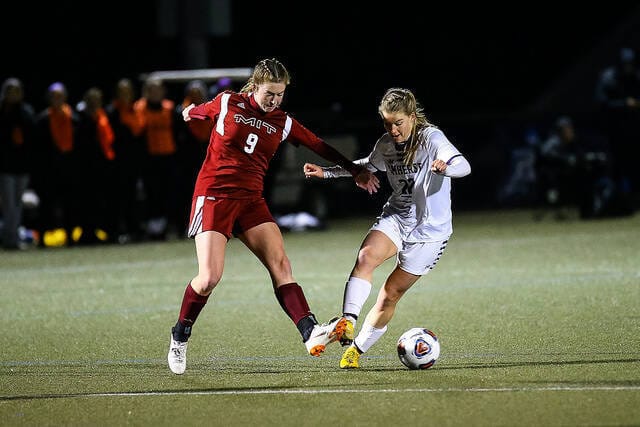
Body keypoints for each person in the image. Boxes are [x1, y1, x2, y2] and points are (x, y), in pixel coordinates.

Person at [166, 58, 377, 375]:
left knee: (281, 265)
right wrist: (189, 111)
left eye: (280, 94)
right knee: (209, 277)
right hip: (214, 195)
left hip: (250, 200)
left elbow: (318, 144)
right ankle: (180, 335)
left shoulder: (283, 122)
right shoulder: (228, 102)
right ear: (254, 86)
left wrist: (354, 170)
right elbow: (199, 111)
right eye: (269, 93)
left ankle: (310, 332)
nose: (274, 100)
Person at [303, 87, 471, 369]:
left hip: (431, 231)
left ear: (412, 117)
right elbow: (368, 166)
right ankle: (348, 322)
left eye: (398, 123)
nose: (392, 130)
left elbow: (462, 164)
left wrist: (446, 168)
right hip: (397, 215)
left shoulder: (431, 138)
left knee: (390, 294)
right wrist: (327, 172)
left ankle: (355, 351)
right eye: (387, 123)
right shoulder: (386, 144)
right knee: (366, 257)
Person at [0, 77, 36, 250]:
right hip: (5, 167)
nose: (13, 95)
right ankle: (10, 238)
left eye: (16, 91)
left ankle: (12, 236)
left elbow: (31, 136)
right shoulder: (1, 111)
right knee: (9, 204)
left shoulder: (25, 111)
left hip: (22, 166)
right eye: (10, 91)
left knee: (17, 203)